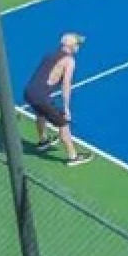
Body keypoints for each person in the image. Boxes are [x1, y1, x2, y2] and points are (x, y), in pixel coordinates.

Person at [24, 32, 90, 166]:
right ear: (72, 46)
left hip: (29, 92)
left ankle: (43, 141)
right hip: (41, 96)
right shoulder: (69, 61)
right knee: (63, 123)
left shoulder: (50, 54)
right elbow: (66, 84)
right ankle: (73, 157)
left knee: (40, 113)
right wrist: (66, 108)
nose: (79, 47)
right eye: (78, 44)